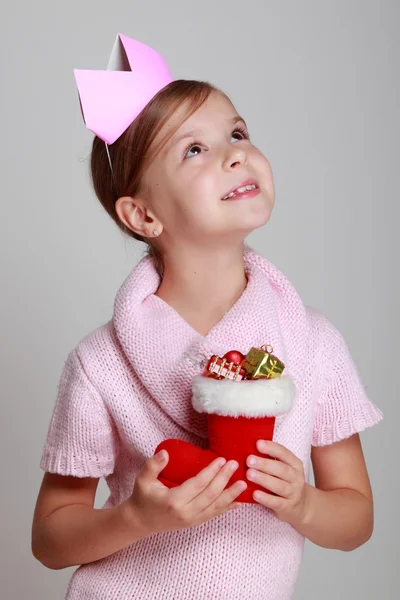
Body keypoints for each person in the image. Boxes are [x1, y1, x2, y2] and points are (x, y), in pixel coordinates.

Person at [31, 33, 383, 600]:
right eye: (194, 149)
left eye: (237, 133)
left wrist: (305, 503)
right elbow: (49, 537)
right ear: (142, 214)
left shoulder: (312, 344)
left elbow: (357, 520)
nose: (236, 153)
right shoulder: (100, 365)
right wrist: (136, 519)